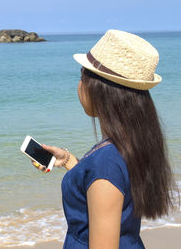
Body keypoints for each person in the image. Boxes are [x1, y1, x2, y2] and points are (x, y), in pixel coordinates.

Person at [31, 29, 178, 248]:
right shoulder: (130, 142)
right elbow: (109, 185)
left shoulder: (106, 162)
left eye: (82, 76)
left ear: (100, 90)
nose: (79, 85)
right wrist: (70, 162)